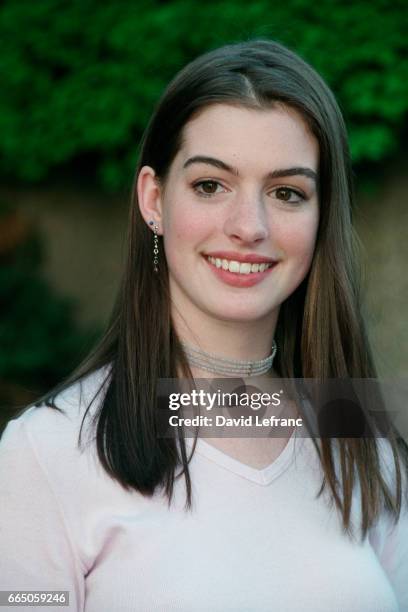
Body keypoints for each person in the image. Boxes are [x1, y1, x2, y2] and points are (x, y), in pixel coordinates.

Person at [0, 38, 407, 612]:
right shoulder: (45, 451)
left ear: (321, 218)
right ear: (154, 199)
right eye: (210, 185)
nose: (249, 226)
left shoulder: (353, 424)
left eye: (287, 192)